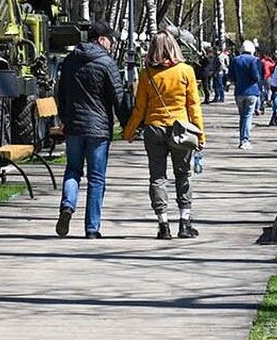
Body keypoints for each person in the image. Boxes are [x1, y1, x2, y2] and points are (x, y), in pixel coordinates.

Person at [123, 31, 206, 239]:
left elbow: (139, 108)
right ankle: (185, 223)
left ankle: (163, 224)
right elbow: (194, 106)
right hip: (181, 130)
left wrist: (130, 131)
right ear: (175, 47)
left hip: (154, 129)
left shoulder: (147, 74)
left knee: (157, 177)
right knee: (183, 174)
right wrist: (201, 134)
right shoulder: (186, 71)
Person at [55, 19, 125, 239]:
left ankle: (68, 206)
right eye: (110, 39)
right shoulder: (106, 63)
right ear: (101, 39)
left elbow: (61, 93)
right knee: (96, 178)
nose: (112, 43)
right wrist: (128, 124)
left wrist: (64, 119)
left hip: (74, 126)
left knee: (73, 170)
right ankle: (92, 228)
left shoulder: (69, 61)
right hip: (99, 130)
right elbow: (118, 97)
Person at [232, 40, 261, 149]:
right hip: (251, 91)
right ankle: (245, 140)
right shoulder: (254, 60)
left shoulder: (235, 60)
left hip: (239, 92)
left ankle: (241, 139)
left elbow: (231, 76)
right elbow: (256, 77)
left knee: (242, 116)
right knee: (248, 116)